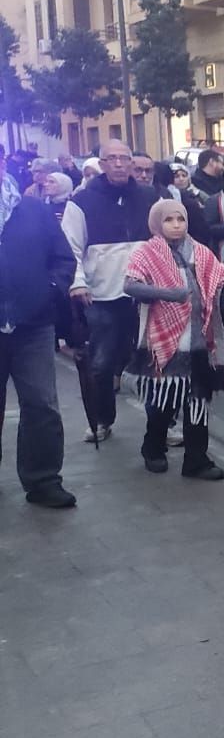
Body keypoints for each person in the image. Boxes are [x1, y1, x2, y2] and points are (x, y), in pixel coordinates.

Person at [123, 200, 224, 480]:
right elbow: (130, 285)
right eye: (169, 220)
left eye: (181, 219)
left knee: (198, 403)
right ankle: (153, 448)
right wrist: (170, 294)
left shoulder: (200, 252)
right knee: (162, 404)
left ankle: (196, 460)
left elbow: (222, 282)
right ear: (157, 223)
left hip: (200, 343)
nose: (176, 224)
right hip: (163, 346)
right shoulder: (145, 252)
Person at [62, 139, 159, 441]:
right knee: (101, 364)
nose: (119, 164)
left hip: (144, 294)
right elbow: (70, 247)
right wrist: (77, 282)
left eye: (124, 158)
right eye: (111, 158)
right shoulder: (82, 201)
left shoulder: (148, 196)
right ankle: (103, 419)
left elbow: (164, 239)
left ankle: (162, 424)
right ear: (101, 164)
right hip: (102, 295)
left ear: (132, 163)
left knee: (154, 362)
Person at [0, 172, 77, 507]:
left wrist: (49, 290)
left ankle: (43, 480)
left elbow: (63, 258)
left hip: (33, 325)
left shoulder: (32, 210)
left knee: (42, 404)